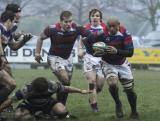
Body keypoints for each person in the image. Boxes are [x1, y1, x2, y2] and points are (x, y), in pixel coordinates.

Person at [35, 10, 90, 106]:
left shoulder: (76, 28)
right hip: (54, 58)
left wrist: (87, 45)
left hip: (68, 58)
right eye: (66, 22)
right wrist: (37, 53)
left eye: (70, 21)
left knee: (66, 84)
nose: (69, 24)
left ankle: (61, 106)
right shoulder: (52, 29)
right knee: (65, 79)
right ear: (60, 21)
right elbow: (40, 38)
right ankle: (45, 99)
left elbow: (90, 35)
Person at [94, 17, 139, 119]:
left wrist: (117, 51)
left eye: (114, 26)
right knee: (113, 84)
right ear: (107, 26)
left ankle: (134, 112)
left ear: (119, 25)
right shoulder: (102, 33)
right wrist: (94, 52)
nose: (111, 29)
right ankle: (118, 103)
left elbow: (130, 53)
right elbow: (88, 40)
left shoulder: (125, 34)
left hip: (122, 63)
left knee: (129, 90)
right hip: (108, 63)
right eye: (109, 26)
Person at [0, 77, 91, 121]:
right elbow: (10, 100)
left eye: (43, 92)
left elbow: (66, 88)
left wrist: (81, 91)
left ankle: (45, 114)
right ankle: (37, 116)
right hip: (30, 104)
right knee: (18, 117)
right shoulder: (26, 89)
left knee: (62, 111)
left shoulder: (52, 85)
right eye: (39, 92)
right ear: (34, 89)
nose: (41, 93)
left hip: (48, 102)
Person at [0, 11, 32, 121]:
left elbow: (14, 46)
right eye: (13, 21)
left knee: (11, 84)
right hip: (0, 60)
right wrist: (2, 56)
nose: (14, 24)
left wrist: (24, 40)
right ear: (8, 20)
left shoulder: (8, 32)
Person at [78, 8, 106, 112]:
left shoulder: (105, 29)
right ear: (90, 18)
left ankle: (92, 96)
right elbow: (80, 42)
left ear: (100, 18)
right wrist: (80, 50)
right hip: (89, 58)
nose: (95, 17)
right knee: (92, 82)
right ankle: (94, 106)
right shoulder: (85, 29)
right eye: (93, 15)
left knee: (99, 86)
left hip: (102, 60)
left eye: (97, 15)